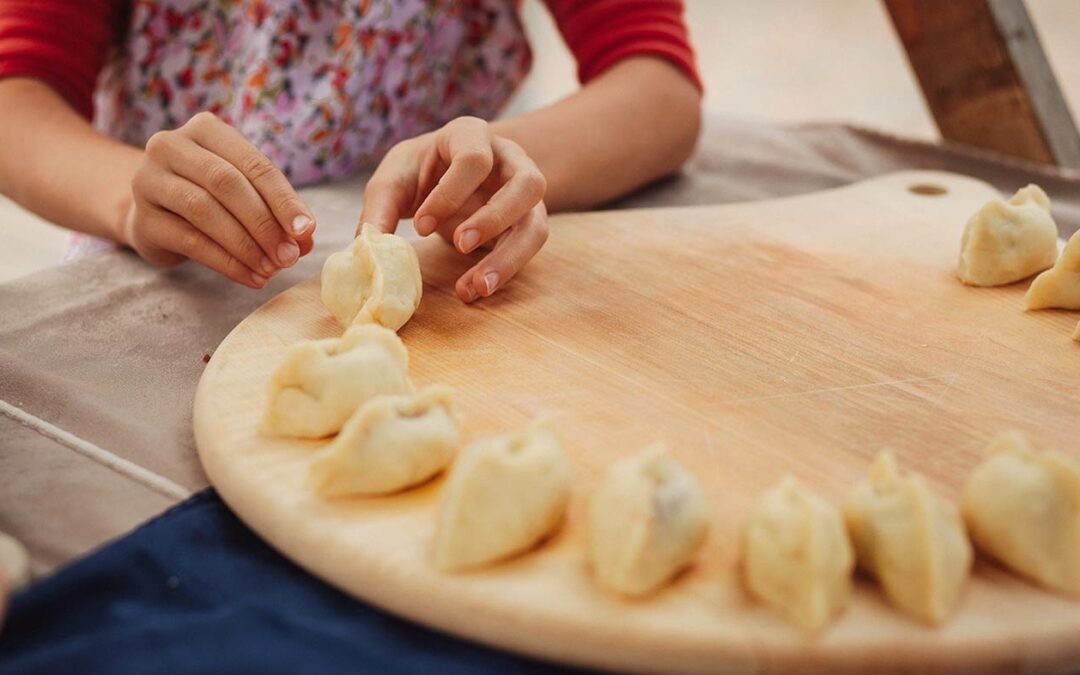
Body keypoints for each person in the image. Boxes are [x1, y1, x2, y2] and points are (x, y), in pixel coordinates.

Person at [0, 1, 701, 302]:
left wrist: (504, 157)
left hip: (435, 266)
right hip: (160, 267)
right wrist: (129, 200)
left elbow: (658, 89)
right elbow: (16, 98)